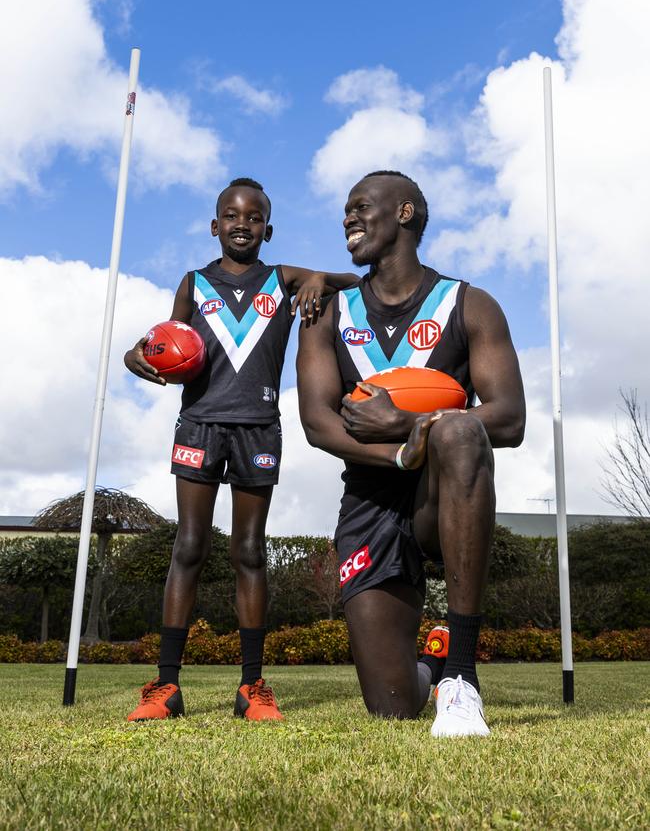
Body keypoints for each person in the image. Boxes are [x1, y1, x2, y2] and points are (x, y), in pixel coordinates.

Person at [297, 170, 525, 737]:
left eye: (360, 206)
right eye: (345, 210)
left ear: (404, 213)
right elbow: (317, 423)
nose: (348, 217)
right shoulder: (329, 311)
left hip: (437, 494)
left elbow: (510, 417)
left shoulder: (469, 303)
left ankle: (463, 681)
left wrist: (412, 424)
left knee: (460, 431)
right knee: (392, 704)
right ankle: (434, 664)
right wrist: (401, 454)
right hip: (372, 496)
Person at [124, 178, 357, 722]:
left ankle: (252, 687)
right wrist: (138, 357)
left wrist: (321, 277)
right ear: (214, 225)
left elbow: (355, 281)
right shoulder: (193, 283)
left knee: (249, 552)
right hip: (199, 424)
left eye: (254, 218)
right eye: (231, 215)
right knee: (188, 546)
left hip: (258, 428)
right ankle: (165, 687)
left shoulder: (284, 280)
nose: (242, 225)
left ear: (268, 230)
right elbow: (160, 343)